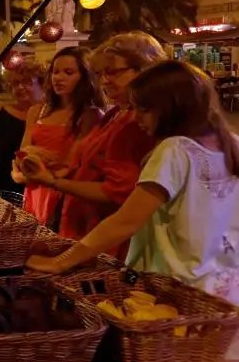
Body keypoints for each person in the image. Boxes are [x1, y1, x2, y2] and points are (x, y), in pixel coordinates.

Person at [26, 61, 239, 362]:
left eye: (143, 108)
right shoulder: (231, 143)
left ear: (171, 106)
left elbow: (126, 220)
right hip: (228, 288)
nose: (137, 117)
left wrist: (62, 261)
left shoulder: (174, 151)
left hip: (183, 295)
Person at [21, 33, 165, 256]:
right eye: (101, 73)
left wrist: (53, 181)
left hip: (104, 239)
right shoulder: (116, 113)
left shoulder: (135, 122)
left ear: (144, 69)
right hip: (80, 227)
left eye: (113, 71)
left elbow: (117, 192)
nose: (105, 80)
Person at [17, 47, 104, 228]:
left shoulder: (90, 115)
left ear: (84, 77)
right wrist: (29, 162)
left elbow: (72, 165)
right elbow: (22, 155)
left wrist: (35, 160)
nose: (58, 77)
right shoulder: (37, 111)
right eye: (55, 72)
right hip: (34, 190)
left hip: (64, 192)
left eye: (68, 72)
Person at [0, 58, 46, 194]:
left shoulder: (49, 117)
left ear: (42, 85)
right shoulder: (3, 115)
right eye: (15, 83)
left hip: (35, 191)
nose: (20, 87)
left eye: (27, 82)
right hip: (2, 189)